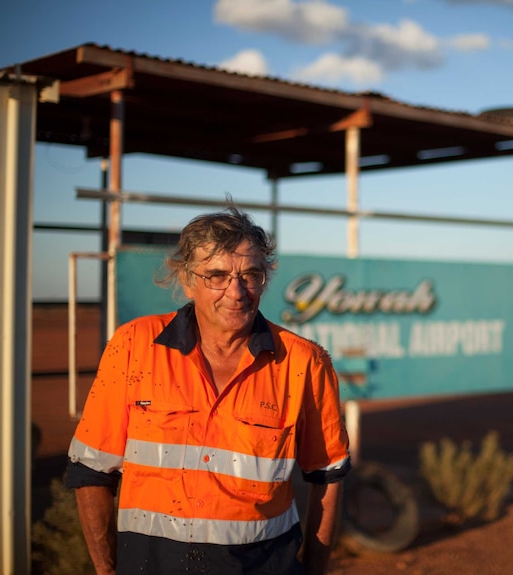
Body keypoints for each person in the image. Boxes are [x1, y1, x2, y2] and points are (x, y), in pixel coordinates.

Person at [66, 206, 351, 575]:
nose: (236, 292)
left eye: (250, 275)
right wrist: (107, 571)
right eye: (217, 275)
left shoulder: (305, 363)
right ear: (187, 280)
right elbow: (91, 470)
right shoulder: (133, 346)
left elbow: (327, 476)